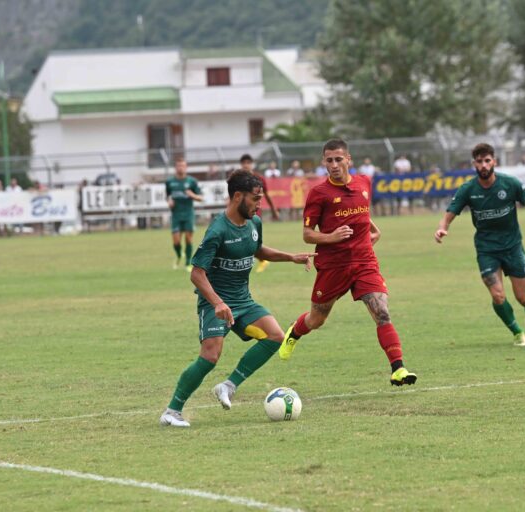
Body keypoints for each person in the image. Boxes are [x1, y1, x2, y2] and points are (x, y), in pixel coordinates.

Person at [159, 170, 316, 427]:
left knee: (276, 336)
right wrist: (218, 303)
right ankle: (172, 411)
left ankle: (228, 386)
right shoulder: (218, 230)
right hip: (215, 302)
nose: (259, 204)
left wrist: (291, 257)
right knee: (210, 357)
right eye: (255, 198)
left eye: (261, 198)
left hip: (243, 301)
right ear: (237, 197)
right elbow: (197, 274)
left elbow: (258, 249)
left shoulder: (254, 223)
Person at [278, 139, 418, 387]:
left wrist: (374, 230)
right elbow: (307, 234)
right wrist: (331, 237)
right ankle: (294, 332)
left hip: (364, 261)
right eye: (329, 160)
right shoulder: (319, 193)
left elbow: (361, 211)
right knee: (316, 319)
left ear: (348, 160)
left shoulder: (364, 182)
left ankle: (398, 368)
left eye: (338, 159)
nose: (334, 165)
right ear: (324, 162)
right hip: (333, 266)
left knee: (382, 313)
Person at [434, 142, 525, 346]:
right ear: (474, 164)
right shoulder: (468, 189)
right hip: (486, 249)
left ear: (494, 161)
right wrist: (442, 228)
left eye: (487, 161)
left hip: (512, 247)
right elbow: (450, 212)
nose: (484, 165)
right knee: (497, 295)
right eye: (479, 161)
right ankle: (517, 331)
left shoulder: (510, 184)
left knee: (522, 297)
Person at [239, 154, 279, 272]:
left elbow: (267, 195)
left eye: (248, 163)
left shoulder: (259, 178)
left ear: (252, 164)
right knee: (243, 237)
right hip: (241, 212)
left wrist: (274, 210)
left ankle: (261, 260)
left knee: (252, 237)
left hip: (254, 212)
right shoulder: (239, 179)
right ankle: (258, 260)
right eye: (244, 163)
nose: (246, 165)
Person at [165, 157, 204, 271]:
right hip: (176, 215)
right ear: (175, 167)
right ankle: (178, 255)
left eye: (183, 165)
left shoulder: (192, 181)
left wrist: (192, 195)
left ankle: (188, 263)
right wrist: (169, 201)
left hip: (188, 214)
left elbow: (201, 198)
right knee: (176, 241)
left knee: (188, 239)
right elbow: (167, 195)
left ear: (186, 167)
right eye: (178, 165)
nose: (180, 168)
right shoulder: (170, 182)